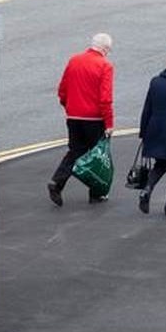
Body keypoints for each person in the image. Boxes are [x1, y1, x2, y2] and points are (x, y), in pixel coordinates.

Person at [48, 33, 115, 206]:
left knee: (75, 151)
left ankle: (57, 182)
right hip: (95, 118)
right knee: (97, 156)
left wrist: (69, 106)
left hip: (74, 117)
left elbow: (62, 89)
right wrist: (109, 123)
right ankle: (96, 193)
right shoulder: (105, 66)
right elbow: (105, 98)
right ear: (105, 49)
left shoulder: (74, 60)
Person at [137, 52, 166, 215]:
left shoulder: (156, 82)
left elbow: (147, 108)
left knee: (161, 164)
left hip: (156, 129)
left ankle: (147, 189)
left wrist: (143, 132)